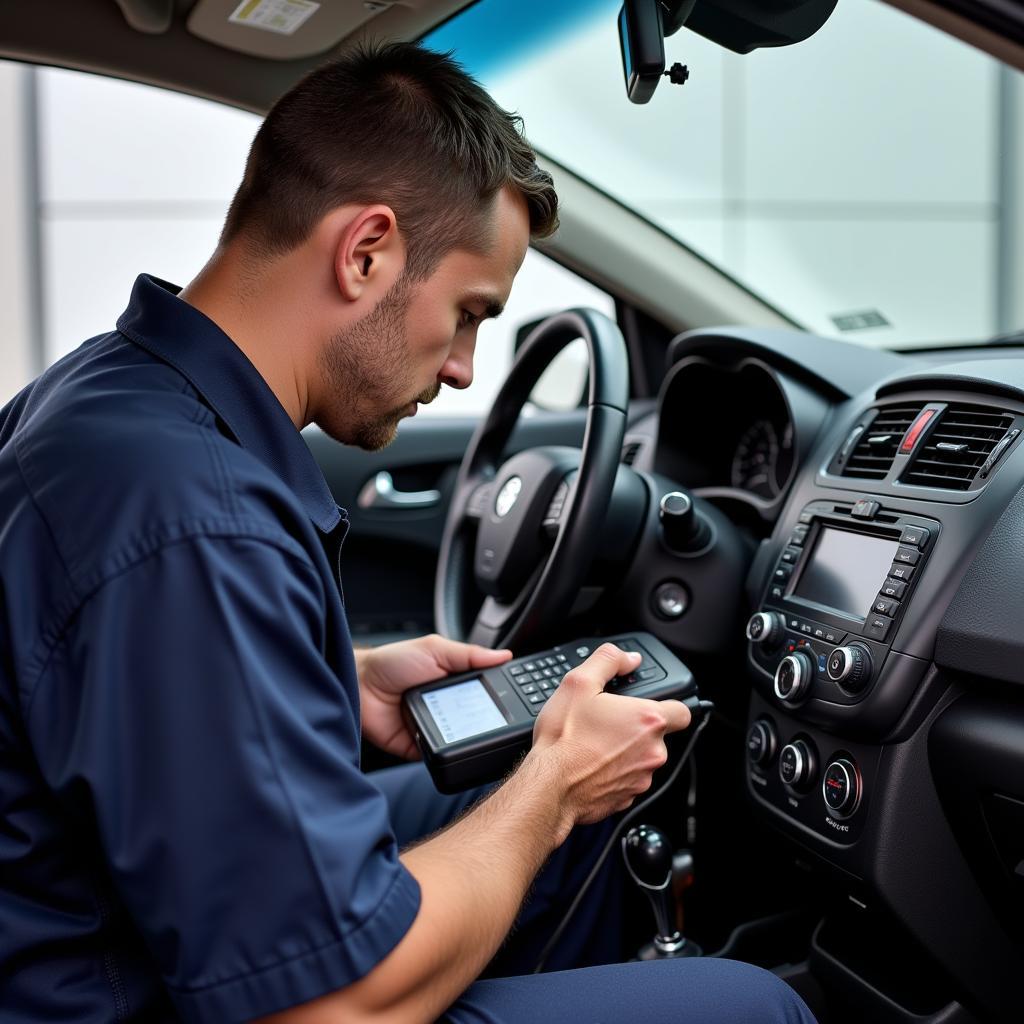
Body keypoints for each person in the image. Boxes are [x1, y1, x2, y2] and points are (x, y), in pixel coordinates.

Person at [0, 42, 817, 1024]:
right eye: (469, 313)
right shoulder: (196, 519)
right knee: (749, 1003)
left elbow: (94, 679)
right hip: (125, 994)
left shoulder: (105, 398)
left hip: (102, 921)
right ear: (366, 252)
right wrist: (554, 783)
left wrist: (333, 683)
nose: (467, 368)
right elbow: (334, 1009)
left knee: (552, 828)